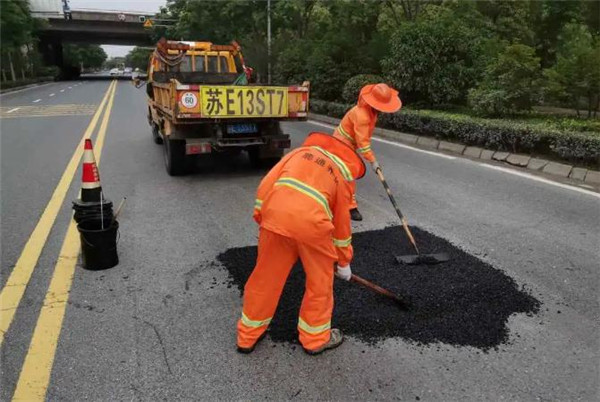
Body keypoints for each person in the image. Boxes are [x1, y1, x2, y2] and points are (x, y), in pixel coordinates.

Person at [237, 132, 365, 355]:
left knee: (265, 278)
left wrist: (262, 217)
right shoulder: (340, 175)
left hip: (275, 220)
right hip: (313, 229)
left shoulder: (296, 154)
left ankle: (247, 335)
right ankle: (315, 339)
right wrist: (343, 262)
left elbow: (266, 185)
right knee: (319, 283)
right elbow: (342, 228)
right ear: (345, 161)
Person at [333, 83, 402, 221]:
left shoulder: (371, 111)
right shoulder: (362, 115)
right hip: (341, 144)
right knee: (348, 174)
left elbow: (363, 140)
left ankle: (336, 197)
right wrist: (373, 161)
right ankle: (351, 207)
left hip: (350, 144)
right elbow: (363, 144)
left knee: (342, 174)